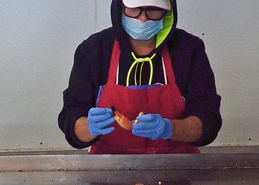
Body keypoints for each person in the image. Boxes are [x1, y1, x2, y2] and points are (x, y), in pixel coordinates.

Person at [58, 0, 222, 154]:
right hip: (109, 165)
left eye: (153, 10)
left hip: (177, 165)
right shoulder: (94, 50)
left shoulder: (188, 49)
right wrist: (89, 127)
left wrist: (170, 128)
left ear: (168, 11)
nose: (143, 18)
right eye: (134, 9)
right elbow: (71, 116)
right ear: (120, 6)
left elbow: (208, 120)